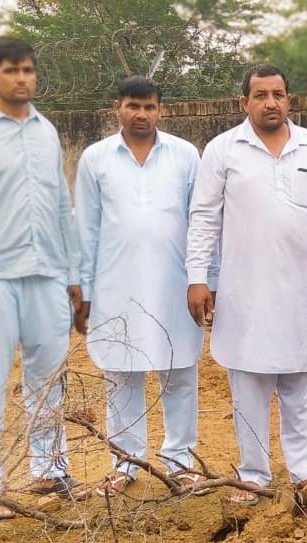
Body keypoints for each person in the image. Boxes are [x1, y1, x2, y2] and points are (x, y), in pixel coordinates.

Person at [185, 64, 307, 505]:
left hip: (303, 293)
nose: (270, 103)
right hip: (246, 294)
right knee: (249, 387)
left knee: (305, 386)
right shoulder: (223, 150)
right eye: (260, 95)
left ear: (289, 99)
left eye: (278, 94)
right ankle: (254, 476)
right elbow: (204, 218)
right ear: (244, 102)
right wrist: (197, 277)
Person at [0, 37, 89, 513]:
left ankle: (50, 469)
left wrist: (73, 274)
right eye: (11, 70)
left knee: (48, 380)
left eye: (27, 70)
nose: (21, 78)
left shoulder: (46, 131)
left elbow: (63, 206)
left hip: (47, 274)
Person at [75, 76, 206, 496]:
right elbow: (86, 228)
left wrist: (205, 278)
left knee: (179, 370)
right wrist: (83, 290)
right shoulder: (96, 159)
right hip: (116, 284)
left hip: (175, 283)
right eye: (133, 105)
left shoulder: (185, 155)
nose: (141, 114)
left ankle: (180, 462)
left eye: (149, 107)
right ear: (117, 107)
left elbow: (201, 222)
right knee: (121, 372)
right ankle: (125, 463)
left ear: (161, 110)